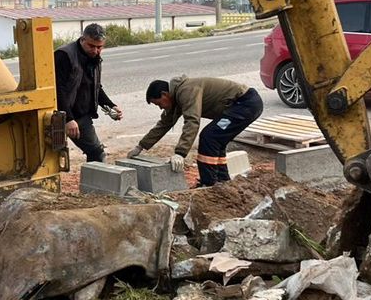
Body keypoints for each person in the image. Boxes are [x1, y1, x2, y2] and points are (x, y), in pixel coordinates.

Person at [128, 75, 263, 186]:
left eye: (159, 103)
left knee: (209, 137)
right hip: (239, 107)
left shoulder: (186, 91)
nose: (160, 107)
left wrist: (180, 153)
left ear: (165, 94)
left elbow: (192, 121)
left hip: (245, 105)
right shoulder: (176, 98)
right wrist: (141, 146)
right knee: (216, 140)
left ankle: (209, 183)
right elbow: (164, 124)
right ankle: (222, 180)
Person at [54, 23, 121, 163]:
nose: (95, 51)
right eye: (91, 46)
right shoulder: (64, 55)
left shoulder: (95, 57)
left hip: (82, 116)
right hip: (61, 115)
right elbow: (58, 89)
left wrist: (110, 105)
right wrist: (68, 119)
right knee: (50, 158)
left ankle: (94, 178)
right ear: (82, 39)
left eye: (99, 47)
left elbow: (94, 86)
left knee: (97, 154)